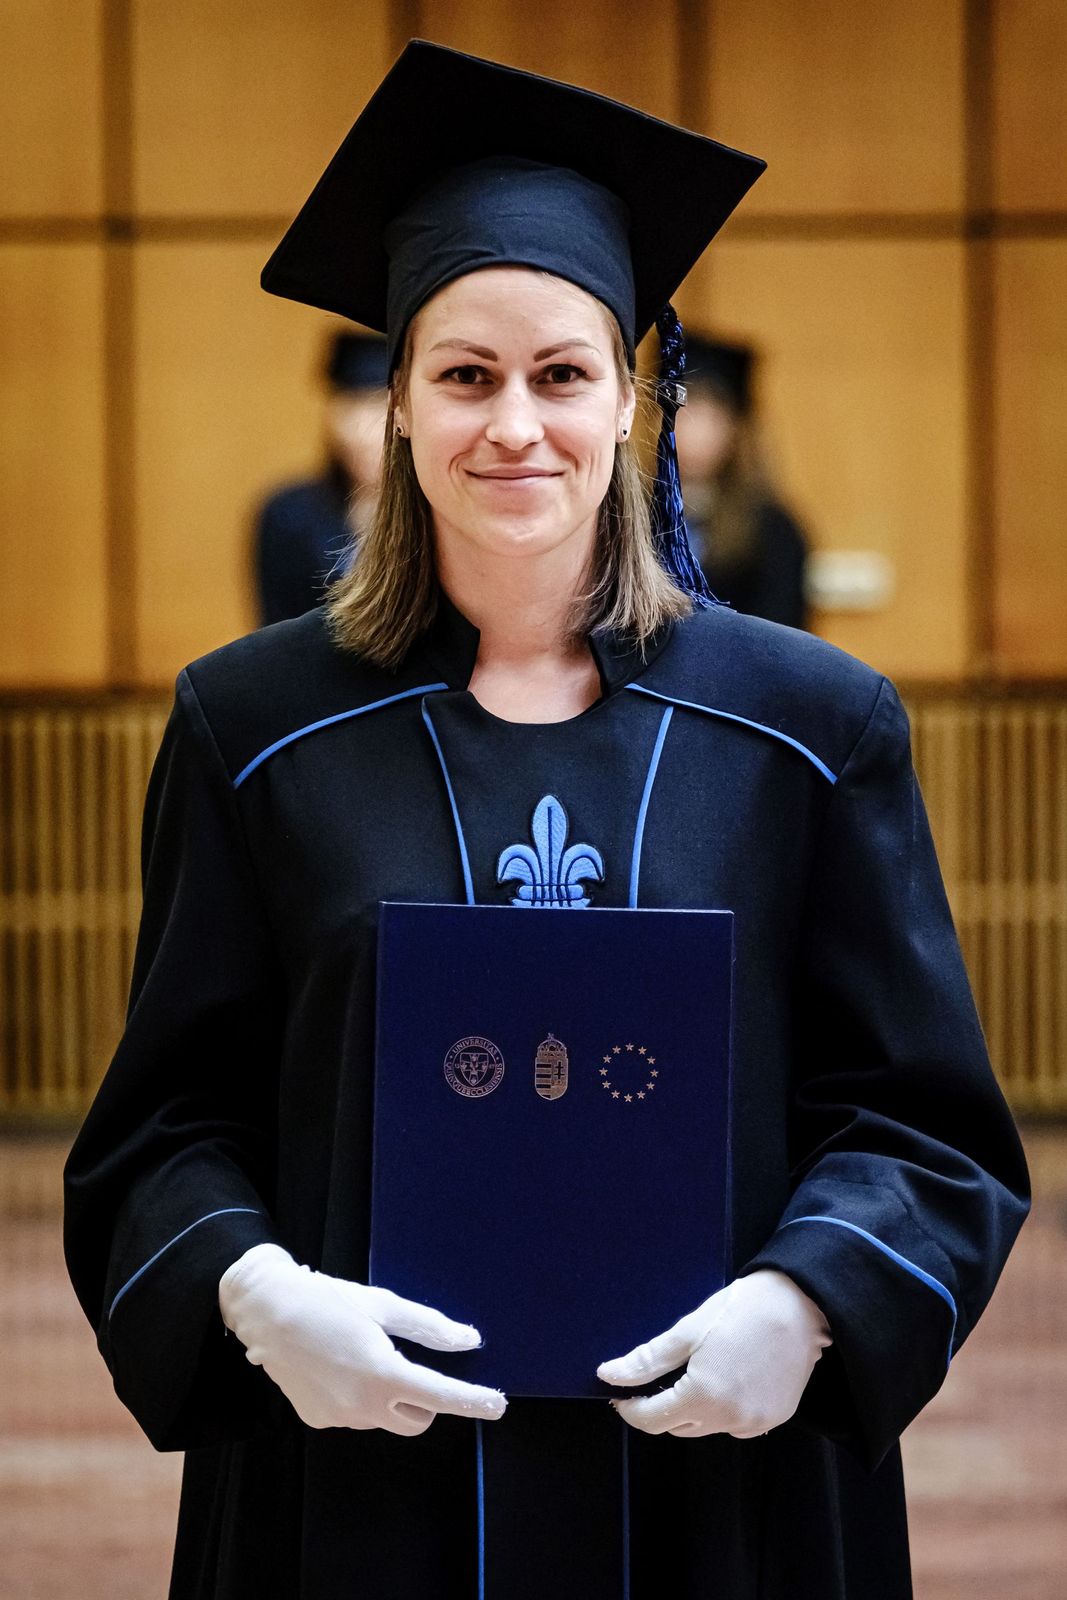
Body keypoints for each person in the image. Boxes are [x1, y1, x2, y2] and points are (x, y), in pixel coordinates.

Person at [63, 41, 1029, 1600]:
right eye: (462, 375)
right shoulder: (253, 728)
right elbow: (166, 1125)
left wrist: (806, 1303)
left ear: (633, 398)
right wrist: (255, 1297)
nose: (513, 422)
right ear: (395, 406)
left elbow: (921, 1123)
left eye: (561, 374)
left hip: (726, 1481)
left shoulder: (807, 727)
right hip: (355, 1481)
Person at [674, 332, 810, 628]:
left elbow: (783, 634)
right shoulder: (628, 517)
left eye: (712, 416)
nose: (696, 431)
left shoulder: (772, 530)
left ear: (735, 427)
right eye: (685, 411)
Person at [253, 329, 388, 624]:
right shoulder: (289, 516)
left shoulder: (442, 516)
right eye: (349, 407)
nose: (361, 432)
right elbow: (275, 635)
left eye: (381, 407)